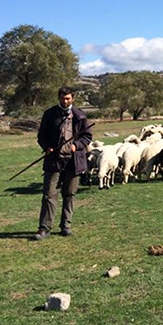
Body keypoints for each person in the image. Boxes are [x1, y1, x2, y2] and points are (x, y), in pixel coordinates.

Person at [33, 86, 92, 240]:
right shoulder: (50, 114)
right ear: (58, 98)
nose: (65, 101)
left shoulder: (80, 116)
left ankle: (66, 225)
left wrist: (76, 146)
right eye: (62, 98)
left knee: (69, 194)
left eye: (68, 98)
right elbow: (42, 136)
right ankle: (44, 228)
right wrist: (47, 147)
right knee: (49, 194)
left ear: (73, 98)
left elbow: (87, 137)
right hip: (54, 161)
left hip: (73, 161)